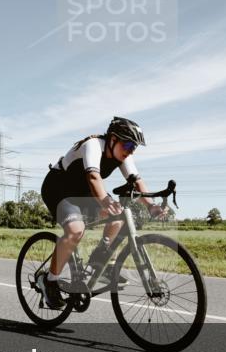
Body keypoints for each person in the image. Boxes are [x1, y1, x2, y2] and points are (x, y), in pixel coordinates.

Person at [38, 117, 164, 309]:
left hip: (83, 192)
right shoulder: (93, 145)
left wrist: (151, 206)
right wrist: (105, 201)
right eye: (128, 144)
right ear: (113, 139)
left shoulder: (123, 156)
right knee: (75, 230)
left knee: (118, 217)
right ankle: (49, 280)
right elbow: (93, 176)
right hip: (58, 188)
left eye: (134, 147)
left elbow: (137, 182)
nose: (130, 150)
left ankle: (102, 264)